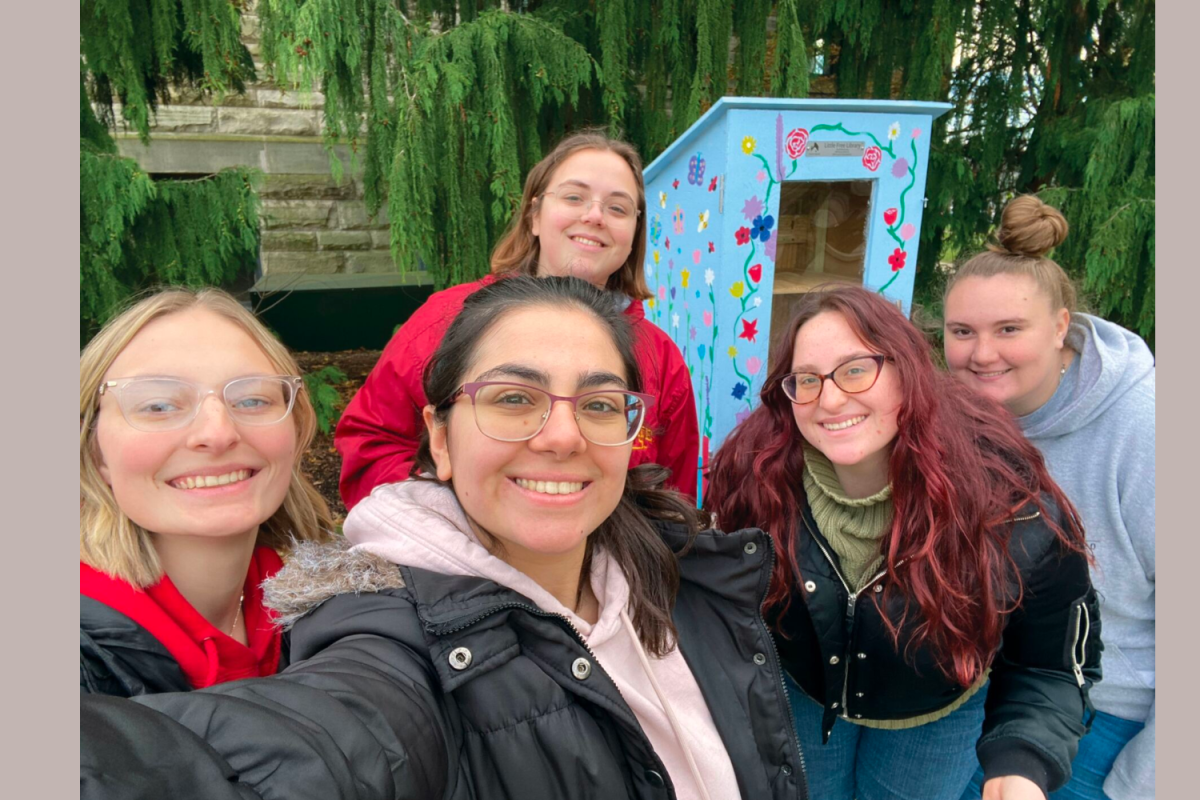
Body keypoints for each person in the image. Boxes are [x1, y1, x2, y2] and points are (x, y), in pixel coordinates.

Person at [80, 276, 806, 800]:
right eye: (512, 399)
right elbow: (335, 734)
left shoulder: (692, 574)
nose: (561, 434)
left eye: (600, 404)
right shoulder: (387, 626)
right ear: (438, 436)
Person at [704, 285, 1101, 800]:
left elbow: (1050, 661)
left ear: (907, 371)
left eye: (855, 369)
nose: (829, 399)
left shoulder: (1005, 504)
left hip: (934, 716)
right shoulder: (755, 480)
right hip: (801, 697)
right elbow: (721, 609)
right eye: (807, 380)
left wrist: (1022, 760)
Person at [335, 131, 699, 508]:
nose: (594, 216)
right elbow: (371, 444)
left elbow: (673, 497)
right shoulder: (446, 319)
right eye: (574, 197)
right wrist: (460, 520)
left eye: (618, 208)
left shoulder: (661, 358)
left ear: (634, 234)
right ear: (534, 216)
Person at [944, 195, 1154, 800]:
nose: (983, 354)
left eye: (1009, 329)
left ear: (1061, 325)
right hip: (988, 691)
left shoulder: (1145, 424)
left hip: (1106, 712)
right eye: (963, 333)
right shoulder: (957, 417)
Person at [80, 288, 335, 697]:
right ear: (95, 452)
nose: (218, 434)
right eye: (159, 406)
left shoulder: (334, 613)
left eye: (253, 399)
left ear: (296, 432)